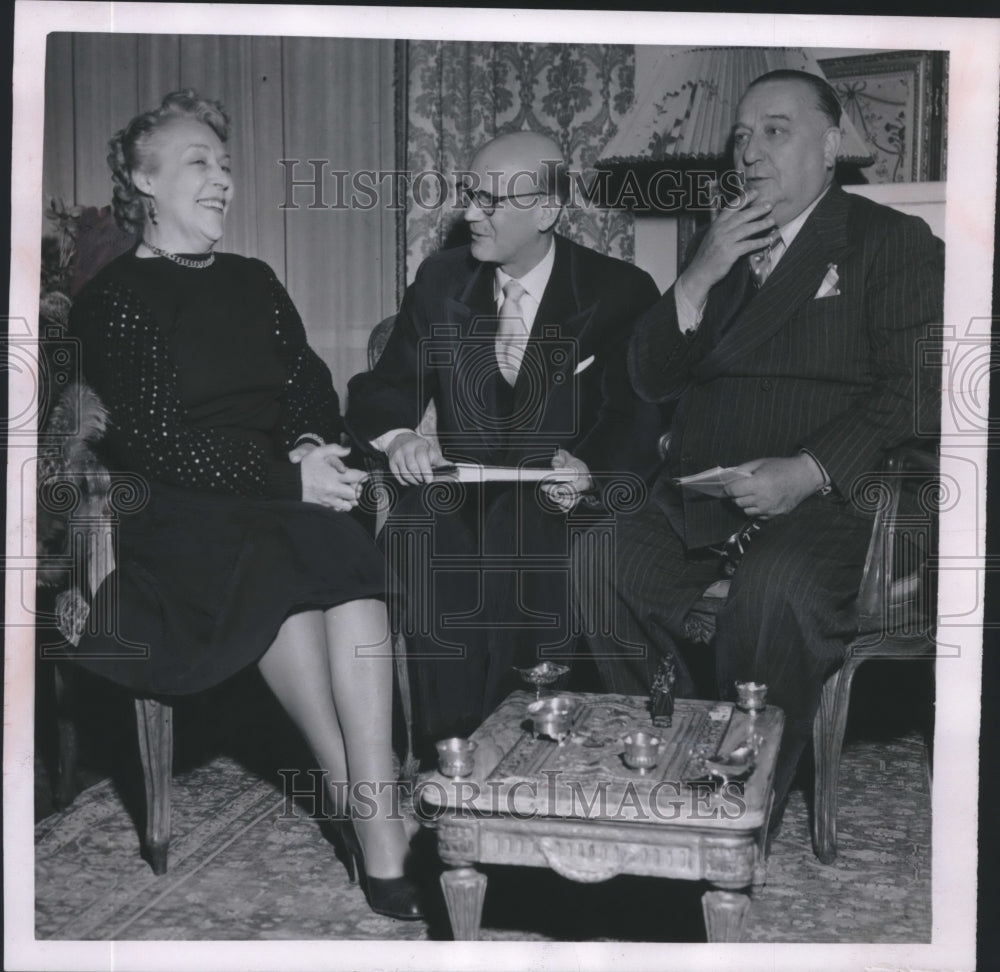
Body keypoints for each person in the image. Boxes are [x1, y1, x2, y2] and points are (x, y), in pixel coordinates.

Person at [65, 90, 421, 919]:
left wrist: (303, 447)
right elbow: (158, 442)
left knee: (327, 544)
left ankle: (366, 805)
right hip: (182, 514)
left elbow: (309, 389)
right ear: (142, 181)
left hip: (269, 495)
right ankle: (375, 815)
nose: (223, 179)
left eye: (225, 165)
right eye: (199, 163)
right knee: (294, 539)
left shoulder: (255, 280)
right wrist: (288, 478)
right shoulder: (113, 299)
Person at [577, 70, 943, 822]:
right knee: (596, 559)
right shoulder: (726, 242)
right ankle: (664, 754)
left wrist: (807, 472)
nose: (749, 151)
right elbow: (646, 378)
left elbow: (914, 390)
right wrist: (699, 274)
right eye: (741, 135)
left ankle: (738, 803)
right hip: (706, 495)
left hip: (837, 502)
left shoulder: (889, 242)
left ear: (832, 144)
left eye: (774, 130)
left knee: (774, 588)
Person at [346, 132, 662, 754]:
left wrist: (591, 470)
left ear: (545, 211)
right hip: (460, 492)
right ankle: (451, 751)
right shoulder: (440, 281)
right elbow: (382, 387)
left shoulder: (620, 291)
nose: (469, 214)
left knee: (536, 544)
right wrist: (403, 434)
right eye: (471, 196)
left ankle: (537, 751)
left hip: (562, 499)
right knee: (418, 533)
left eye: (490, 201)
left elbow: (638, 414)